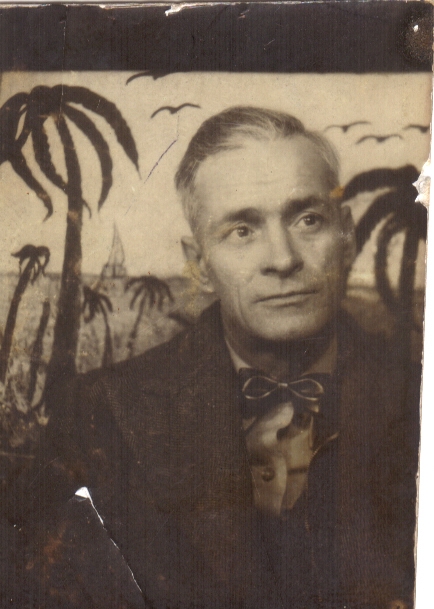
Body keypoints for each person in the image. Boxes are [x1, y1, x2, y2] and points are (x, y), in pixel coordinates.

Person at [19, 107, 419, 609]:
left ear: (347, 238)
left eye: (308, 220)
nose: (283, 259)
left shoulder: (417, 396)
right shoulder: (101, 412)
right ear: (200, 265)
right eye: (242, 230)